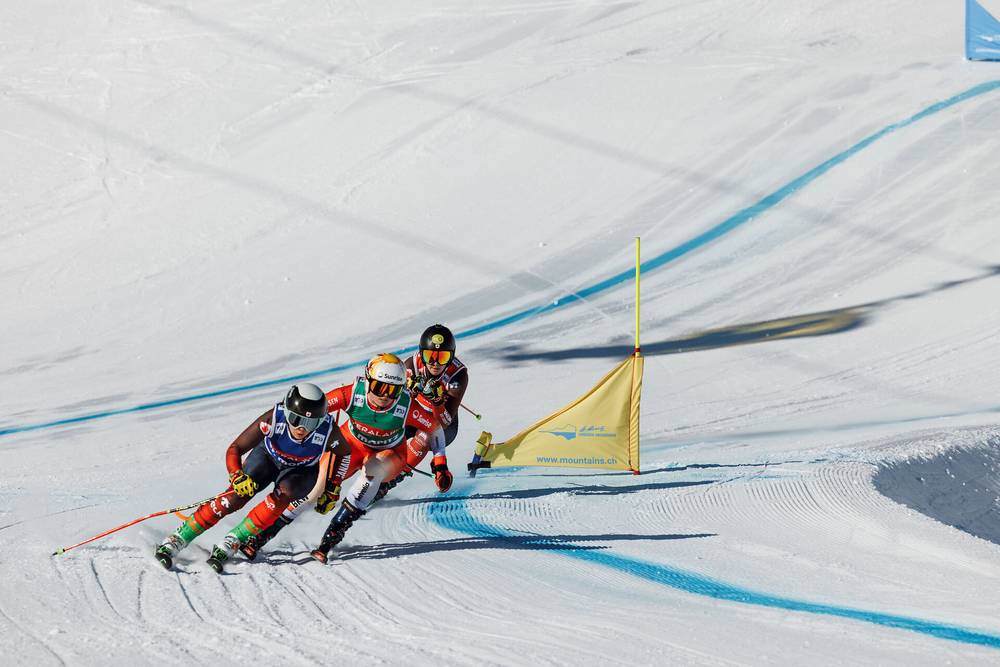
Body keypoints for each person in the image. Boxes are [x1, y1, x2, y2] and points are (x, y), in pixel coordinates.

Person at [241, 353, 452, 563]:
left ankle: (335, 531)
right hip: (352, 444)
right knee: (315, 490)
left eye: (393, 390)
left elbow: (435, 429)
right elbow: (310, 409)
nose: (386, 396)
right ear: (368, 381)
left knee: (374, 469)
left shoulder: (405, 406)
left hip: (390, 452)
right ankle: (263, 535)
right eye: (380, 387)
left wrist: (440, 464)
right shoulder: (351, 394)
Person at [153, 383, 349, 572]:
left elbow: (344, 453)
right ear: (287, 411)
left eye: (311, 423)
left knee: (285, 494)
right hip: (267, 458)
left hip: (301, 470)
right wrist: (236, 476)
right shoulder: (274, 419)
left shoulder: (328, 430)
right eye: (296, 419)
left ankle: (234, 539)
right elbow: (235, 448)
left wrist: (333, 486)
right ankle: (179, 537)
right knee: (234, 498)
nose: (302, 428)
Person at [375, 324, 469, 500]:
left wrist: (437, 402)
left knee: (425, 435)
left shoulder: (458, 375)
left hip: (444, 425)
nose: (435, 363)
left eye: (442, 357)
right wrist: (408, 393)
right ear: (421, 353)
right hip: (416, 414)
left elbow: (445, 422)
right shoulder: (411, 365)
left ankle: (390, 481)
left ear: (451, 357)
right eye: (429, 356)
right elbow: (393, 405)